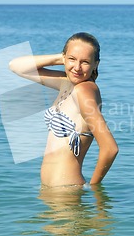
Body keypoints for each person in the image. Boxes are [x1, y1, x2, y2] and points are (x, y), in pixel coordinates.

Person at [9, 32, 118, 187]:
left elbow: (110, 148)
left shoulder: (84, 91)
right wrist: (60, 58)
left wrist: (94, 188)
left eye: (85, 62)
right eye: (72, 59)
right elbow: (16, 66)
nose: (77, 68)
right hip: (53, 191)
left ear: (96, 64)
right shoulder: (66, 84)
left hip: (66, 192)